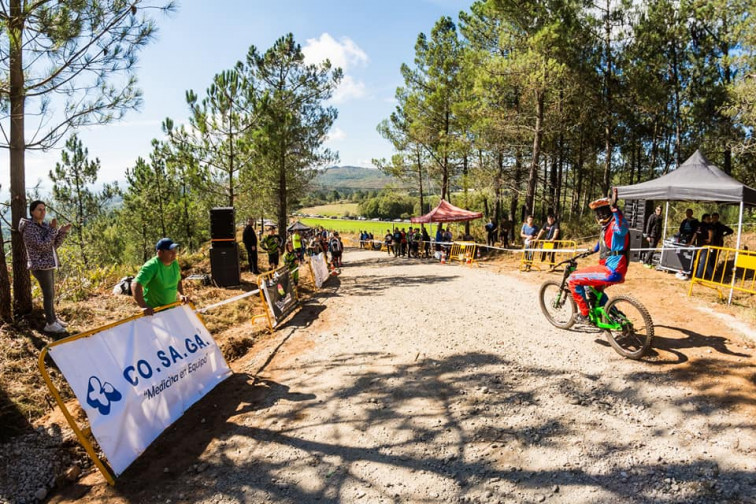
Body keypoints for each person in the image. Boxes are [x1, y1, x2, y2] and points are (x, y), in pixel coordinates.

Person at [568, 188, 629, 323]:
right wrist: (590, 251)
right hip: (610, 269)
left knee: (573, 279)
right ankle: (615, 315)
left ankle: (584, 315)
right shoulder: (606, 228)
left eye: (603, 212)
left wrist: (615, 209)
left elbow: (622, 227)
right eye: (598, 213)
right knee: (593, 289)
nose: (600, 215)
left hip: (612, 270)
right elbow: (601, 243)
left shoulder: (615, 226)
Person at [19, 200, 72, 333]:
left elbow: (52, 245)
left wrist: (62, 232)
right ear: (32, 212)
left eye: (44, 209)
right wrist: (54, 230)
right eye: (39, 210)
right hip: (40, 266)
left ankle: (53, 318)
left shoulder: (43, 226)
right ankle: (50, 323)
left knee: (51, 294)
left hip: (48, 264)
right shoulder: (30, 228)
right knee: (48, 295)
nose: (42, 212)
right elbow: (42, 246)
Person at [133, 238, 189, 316]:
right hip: (154, 313)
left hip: (171, 309)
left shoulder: (174, 263)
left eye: (174, 250)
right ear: (160, 253)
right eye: (170, 251)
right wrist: (143, 306)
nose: (174, 253)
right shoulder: (151, 266)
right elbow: (135, 284)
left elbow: (178, 280)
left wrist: (181, 294)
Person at [693, 214, 714, 279]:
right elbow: (710, 232)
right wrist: (691, 242)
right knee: (705, 261)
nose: (709, 220)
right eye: (708, 218)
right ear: (704, 219)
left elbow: (710, 232)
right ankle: (711, 275)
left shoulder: (705, 225)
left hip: (704, 245)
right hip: (701, 244)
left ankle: (698, 276)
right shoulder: (704, 225)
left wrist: (709, 239)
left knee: (703, 261)